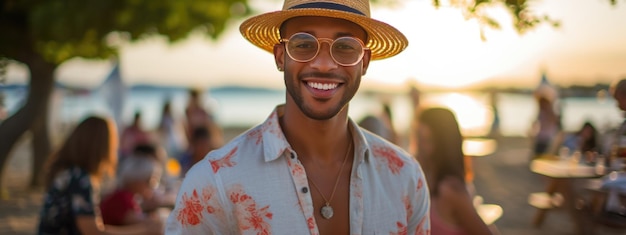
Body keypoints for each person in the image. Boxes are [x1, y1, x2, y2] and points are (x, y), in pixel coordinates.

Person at [165, 0, 430, 234]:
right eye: (303, 44)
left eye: (346, 47)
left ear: (365, 61)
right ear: (280, 56)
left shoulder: (404, 178)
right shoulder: (215, 183)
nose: (324, 64)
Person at [38, 116, 162, 235]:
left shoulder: (68, 173)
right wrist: (145, 231)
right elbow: (93, 232)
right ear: (100, 147)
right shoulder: (80, 178)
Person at [414, 108, 492, 235]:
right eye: (417, 139)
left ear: (443, 144)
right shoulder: (422, 178)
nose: (419, 148)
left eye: (426, 141)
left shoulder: (449, 190)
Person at [100, 153, 163, 226]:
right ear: (136, 180)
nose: (152, 185)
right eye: (148, 180)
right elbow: (139, 223)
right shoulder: (122, 198)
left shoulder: (125, 195)